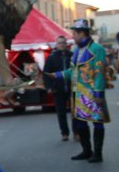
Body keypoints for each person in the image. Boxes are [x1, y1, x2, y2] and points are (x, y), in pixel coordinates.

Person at [47, 19, 110, 163]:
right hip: (77, 92)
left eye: (74, 33)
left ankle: (98, 153)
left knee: (96, 122)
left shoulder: (97, 49)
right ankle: (86, 150)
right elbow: (72, 71)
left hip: (92, 92)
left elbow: (100, 72)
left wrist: (99, 93)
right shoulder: (76, 50)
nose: (72, 36)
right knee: (81, 123)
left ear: (83, 33)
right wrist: (57, 75)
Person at [43, 35, 73, 141]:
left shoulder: (72, 56)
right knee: (61, 112)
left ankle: (77, 132)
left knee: (75, 112)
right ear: (56, 45)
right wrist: (49, 87)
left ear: (66, 44)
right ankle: (64, 133)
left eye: (64, 42)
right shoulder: (51, 58)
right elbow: (46, 73)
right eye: (60, 43)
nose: (62, 44)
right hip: (58, 89)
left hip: (71, 88)